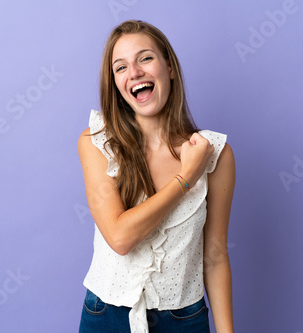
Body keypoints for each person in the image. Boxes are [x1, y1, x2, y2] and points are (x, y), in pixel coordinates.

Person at [78, 19, 236, 333]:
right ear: (115, 83)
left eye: (145, 58)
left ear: (170, 68)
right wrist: (186, 178)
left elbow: (215, 255)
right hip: (106, 317)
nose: (134, 72)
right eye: (120, 67)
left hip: (184, 320)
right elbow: (120, 238)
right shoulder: (96, 143)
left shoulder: (216, 154)